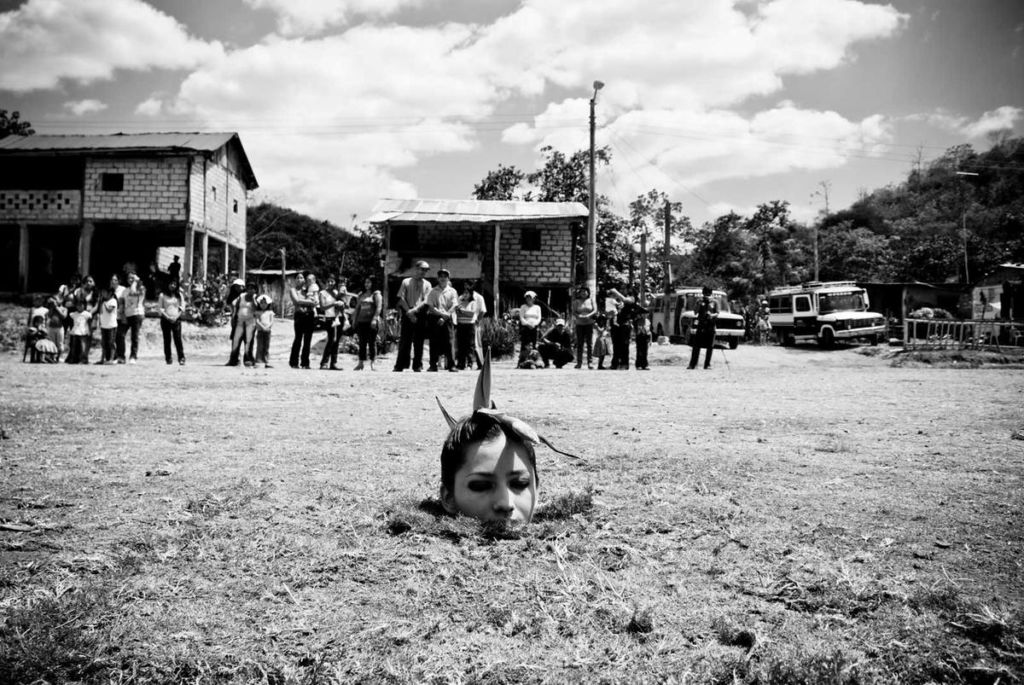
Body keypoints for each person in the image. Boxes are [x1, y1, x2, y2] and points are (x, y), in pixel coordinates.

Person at [392, 261, 432, 372]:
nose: (424, 272)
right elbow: (401, 298)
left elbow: (427, 301)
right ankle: (400, 365)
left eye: (426, 270)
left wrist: (414, 310)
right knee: (405, 340)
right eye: (422, 269)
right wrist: (409, 312)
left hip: (420, 313)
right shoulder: (406, 281)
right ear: (416, 269)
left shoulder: (427, 284)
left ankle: (417, 365)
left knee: (419, 341)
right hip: (407, 312)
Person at [426, 268, 458, 372]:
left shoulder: (452, 291)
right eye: (441, 276)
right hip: (435, 318)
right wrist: (441, 314)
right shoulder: (432, 291)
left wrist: (446, 315)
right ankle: (433, 365)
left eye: (445, 276)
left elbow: (454, 305)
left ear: (448, 278)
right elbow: (430, 306)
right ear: (438, 278)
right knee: (434, 342)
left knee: (449, 342)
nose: (443, 278)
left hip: (447, 318)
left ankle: (451, 365)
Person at [352, 276, 383, 371]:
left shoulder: (376, 294)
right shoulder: (361, 295)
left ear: (373, 283)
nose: (367, 284)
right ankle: (360, 363)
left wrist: (374, 319)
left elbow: (379, 307)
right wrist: (354, 320)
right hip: (361, 322)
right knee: (362, 343)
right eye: (366, 282)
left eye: (369, 282)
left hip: (371, 322)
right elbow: (357, 308)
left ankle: (373, 363)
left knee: (372, 342)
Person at [289, 272, 317, 369]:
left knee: (307, 340)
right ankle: (294, 362)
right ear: (295, 280)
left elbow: (315, 301)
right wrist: (309, 302)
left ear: (304, 280)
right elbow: (297, 301)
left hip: (309, 316)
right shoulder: (293, 290)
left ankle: (305, 363)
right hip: (299, 316)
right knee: (298, 339)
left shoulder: (308, 289)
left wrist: (311, 302)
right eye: (297, 278)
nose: (299, 279)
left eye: (301, 278)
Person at [454, 280, 484, 370]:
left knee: (470, 345)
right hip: (460, 324)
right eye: (464, 293)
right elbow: (456, 311)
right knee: (461, 345)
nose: (465, 295)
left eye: (467, 293)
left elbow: (471, 313)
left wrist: (462, 311)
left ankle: (469, 364)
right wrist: (460, 311)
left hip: (470, 325)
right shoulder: (459, 300)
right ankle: (461, 363)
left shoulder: (473, 302)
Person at [228, 280, 258, 367]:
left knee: (248, 341)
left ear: (255, 290)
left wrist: (253, 299)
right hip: (239, 322)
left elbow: (256, 308)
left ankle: (248, 360)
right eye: (248, 288)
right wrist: (233, 318)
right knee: (236, 341)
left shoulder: (256, 298)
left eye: (252, 289)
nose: (250, 290)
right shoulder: (241, 296)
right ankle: (233, 360)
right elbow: (235, 305)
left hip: (250, 323)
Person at [688, 285, 719, 369]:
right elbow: (695, 312)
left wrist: (711, 315)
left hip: (711, 326)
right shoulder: (699, 301)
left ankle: (707, 364)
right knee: (696, 345)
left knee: (710, 346)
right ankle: (693, 364)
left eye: (708, 293)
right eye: (705, 293)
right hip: (701, 325)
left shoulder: (714, 302)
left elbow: (717, 313)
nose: (707, 295)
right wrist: (699, 304)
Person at [607, 287, 638, 370]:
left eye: (624, 289)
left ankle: (624, 363)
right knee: (616, 345)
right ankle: (615, 363)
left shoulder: (631, 298)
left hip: (625, 324)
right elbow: (608, 312)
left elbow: (626, 301)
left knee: (624, 344)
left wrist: (615, 292)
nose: (622, 290)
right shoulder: (614, 300)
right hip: (615, 325)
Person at [119, 271, 146, 364]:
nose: (131, 280)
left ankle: (133, 356)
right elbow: (122, 303)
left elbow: (133, 292)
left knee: (134, 336)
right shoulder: (124, 291)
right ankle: (121, 356)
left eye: (133, 278)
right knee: (121, 334)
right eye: (129, 278)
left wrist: (136, 282)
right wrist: (122, 315)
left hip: (137, 314)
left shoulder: (141, 288)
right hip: (127, 315)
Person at [159, 280, 186, 365]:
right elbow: (160, 308)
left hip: (176, 319)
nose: (172, 286)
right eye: (171, 283)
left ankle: (181, 358)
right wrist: (167, 317)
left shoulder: (179, 295)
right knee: (167, 340)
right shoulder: (162, 295)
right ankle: (168, 358)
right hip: (165, 319)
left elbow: (182, 307)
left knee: (178, 339)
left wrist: (176, 317)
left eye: (174, 284)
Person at [572, 285, 597, 369]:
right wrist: (578, 316)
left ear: (588, 293)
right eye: (582, 291)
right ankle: (579, 362)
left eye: (585, 291)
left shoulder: (591, 300)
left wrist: (589, 315)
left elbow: (595, 310)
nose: (583, 293)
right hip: (579, 324)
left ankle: (590, 362)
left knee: (589, 344)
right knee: (580, 343)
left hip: (589, 323)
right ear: (580, 293)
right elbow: (574, 312)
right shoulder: (576, 301)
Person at [517, 291, 542, 368]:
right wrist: (528, 324)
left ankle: (535, 361)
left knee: (534, 344)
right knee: (524, 345)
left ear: (534, 298)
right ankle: (521, 362)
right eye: (527, 297)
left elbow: (539, 318)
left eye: (530, 297)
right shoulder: (523, 307)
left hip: (534, 328)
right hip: (526, 328)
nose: (528, 299)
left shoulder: (537, 307)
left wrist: (534, 324)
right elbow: (521, 318)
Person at [66, 299, 93, 364]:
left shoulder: (87, 314)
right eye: (78, 305)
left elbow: (89, 323)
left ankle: (83, 359)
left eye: (81, 305)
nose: (79, 307)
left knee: (83, 346)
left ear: (84, 305)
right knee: (73, 346)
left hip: (83, 331)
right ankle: (74, 359)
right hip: (75, 331)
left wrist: (89, 331)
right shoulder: (73, 314)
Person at [96, 287, 118, 364]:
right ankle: (102, 359)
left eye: (104, 292)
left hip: (111, 325)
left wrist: (104, 303)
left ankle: (112, 359)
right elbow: (100, 312)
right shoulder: (102, 302)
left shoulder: (113, 301)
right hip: (104, 325)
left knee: (111, 342)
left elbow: (109, 310)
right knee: (104, 343)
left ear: (109, 293)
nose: (102, 294)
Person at [254, 294, 274, 368]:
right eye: (261, 303)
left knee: (266, 346)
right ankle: (258, 361)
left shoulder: (270, 312)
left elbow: (271, 321)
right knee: (260, 346)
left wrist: (267, 327)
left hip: (268, 331)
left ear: (268, 304)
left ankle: (266, 361)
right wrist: (262, 327)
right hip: (260, 331)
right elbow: (257, 321)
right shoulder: (257, 312)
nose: (263, 305)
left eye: (265, 303)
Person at [634, 304, 652, 370]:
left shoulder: (648, 321)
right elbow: (637, 330)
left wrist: (650, 340)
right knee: (639, 351)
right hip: (640, 336)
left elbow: (649, 331)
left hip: (646, 337)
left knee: (645, 351)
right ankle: (638, 365)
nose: (645, 315)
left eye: (646, 314)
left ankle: (645, 364)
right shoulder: (638, 321)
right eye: (643, 314)